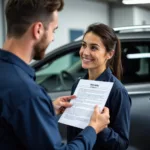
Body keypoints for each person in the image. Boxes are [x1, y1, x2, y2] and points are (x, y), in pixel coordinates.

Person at [0, 1, 110, 150]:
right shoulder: (28, 94)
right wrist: (93, 129)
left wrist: (47, 109)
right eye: (54, 30)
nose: (52, 38)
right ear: (38, 30)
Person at [67, 23, 131, 150]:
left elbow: (122, 144)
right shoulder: (78, 85)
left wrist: (100, 128)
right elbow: (72, 134)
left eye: (94, 48)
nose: (85, 52)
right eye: (83, 45)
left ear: (109, 54)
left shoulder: (117, 91)